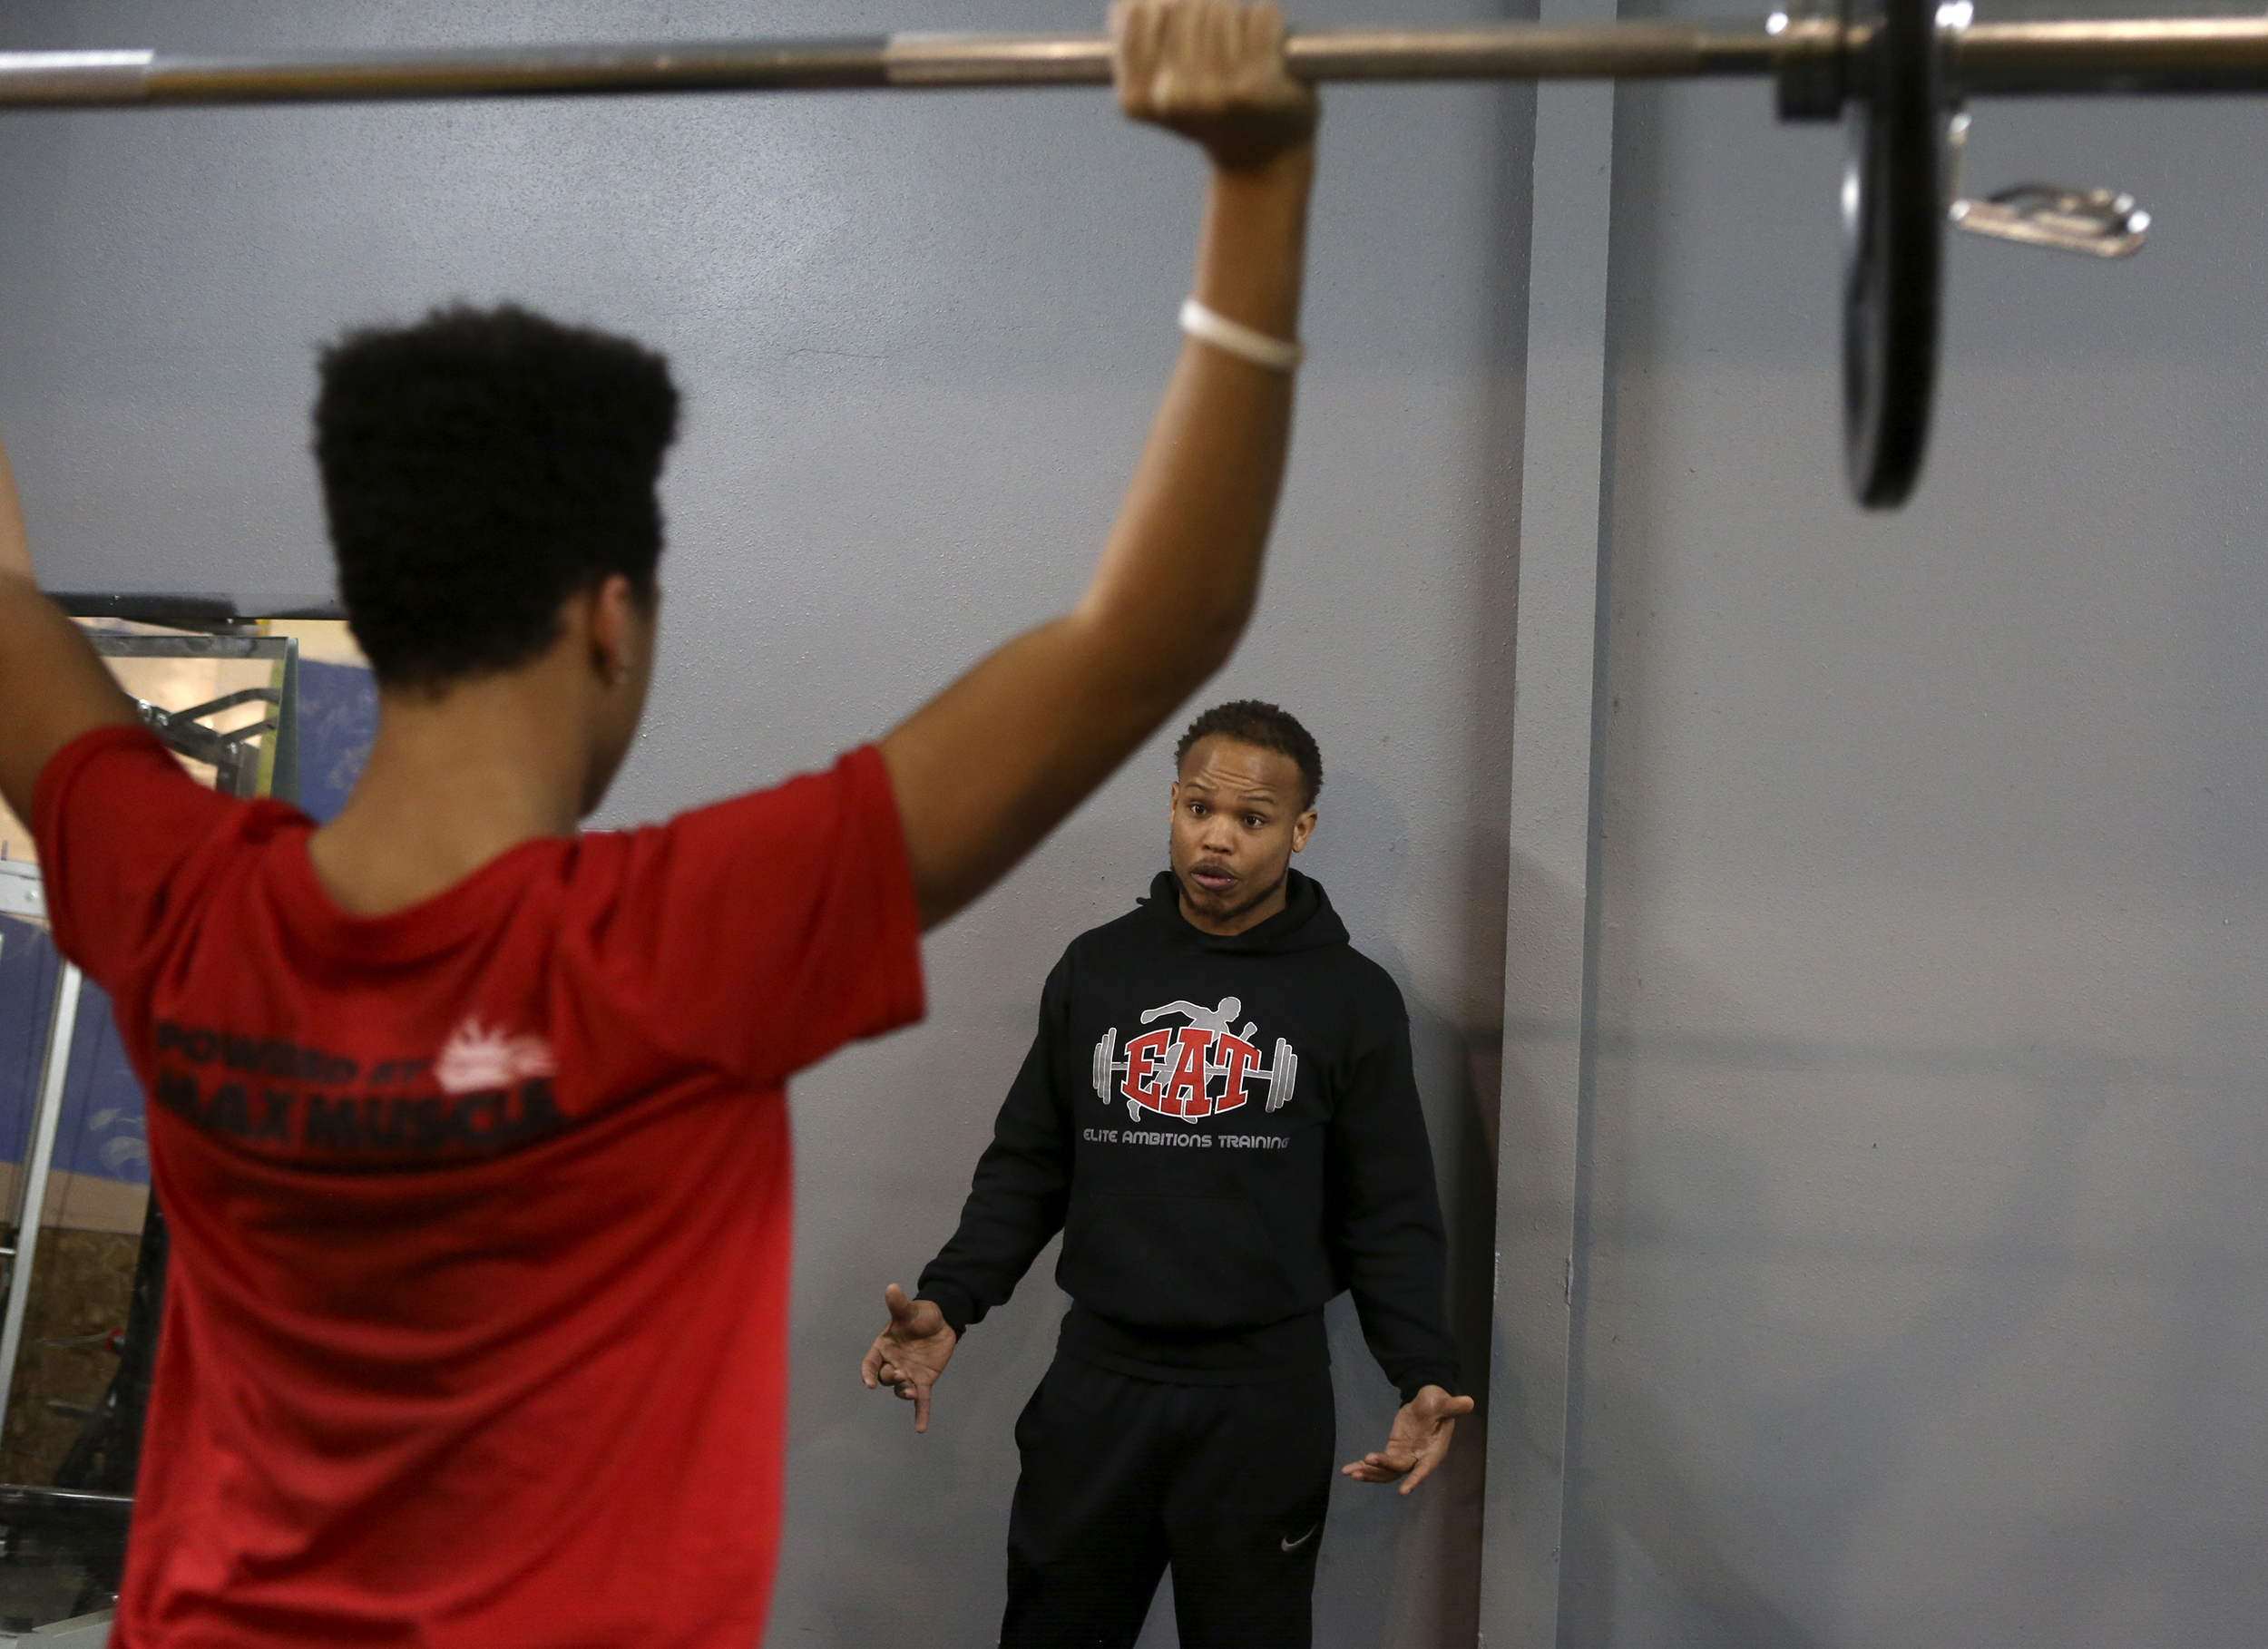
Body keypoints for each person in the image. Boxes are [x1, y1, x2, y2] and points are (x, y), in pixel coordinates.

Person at [0, 4, 1318, 1643]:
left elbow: (2, 601)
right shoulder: (678, 942)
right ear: (610, 620)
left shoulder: (177, 897)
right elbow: (1154, 636)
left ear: (388, 612)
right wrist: (1258, 172)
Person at [861, 698, 1474, 1649]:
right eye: (1198, 809)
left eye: (1251, 818)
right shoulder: (1097, 970)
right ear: (1174, 808)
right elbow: (1029, 1165)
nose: (1216, 838)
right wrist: (953, 1299)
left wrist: (1421, 1370)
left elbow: (1387, 1213)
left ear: (1300, 830)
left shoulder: (1350, 1000)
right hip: (1099, 1386)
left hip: (1261, 1403)